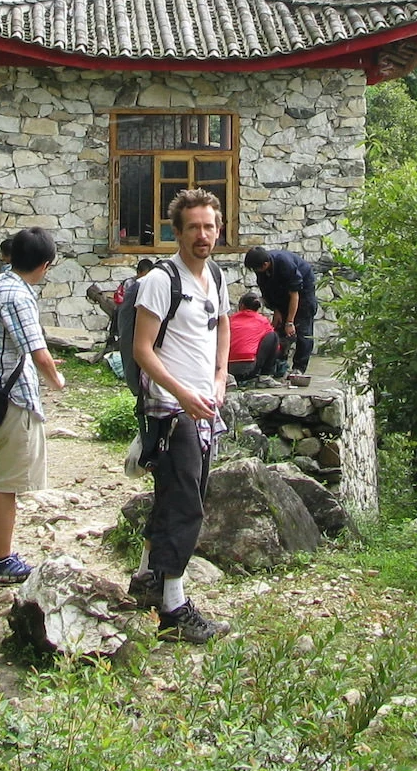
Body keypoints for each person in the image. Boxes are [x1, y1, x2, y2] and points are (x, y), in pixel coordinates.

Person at [129, 189, 232, 643]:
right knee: (186, 503)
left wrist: (220, 375)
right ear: (178, 230)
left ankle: (147, 579)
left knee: (175, 496)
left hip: (203, 408)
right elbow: (142, 349)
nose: (203, 234)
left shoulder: (216, 276)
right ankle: (173, 609)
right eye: (194, 227)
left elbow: (222, 324)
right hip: (172, 411)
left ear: (219, 228)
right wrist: (183, 395)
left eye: (209, 226)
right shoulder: (160, 280)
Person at [0, 228, 66, 583]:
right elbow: (38, 351)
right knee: (6, 485)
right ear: (44, 265)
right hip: (14, 400)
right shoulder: (19, 296)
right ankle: (3, 558)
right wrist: (57, 381)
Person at [244, 245, 319, 387]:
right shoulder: (261, 269)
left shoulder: (285, 264)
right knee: (278, 330)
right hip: (281, 294)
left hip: (302, 293)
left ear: (265, 264)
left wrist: (290, 322)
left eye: (256, 269)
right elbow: (267, 293)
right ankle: (278, 365)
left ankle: (299, 368)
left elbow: (295, 294)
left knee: (303, 330)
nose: (255, 272)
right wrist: (276, 310)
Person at [226, 292, 282, 384]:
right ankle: (265, 375)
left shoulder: (230, 320)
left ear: (242, 306)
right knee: (273, 336)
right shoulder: (263, 321)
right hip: (250, 368)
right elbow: (277, 347)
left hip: (228, 368)